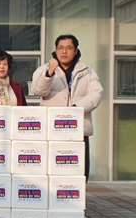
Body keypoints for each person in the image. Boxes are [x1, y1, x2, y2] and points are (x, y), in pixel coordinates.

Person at [31, 34, 103, 180]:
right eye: (60, 48)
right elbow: (38, 90)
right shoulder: (44, 69)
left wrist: (75, 109)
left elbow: (96, 94)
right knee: (52, 170)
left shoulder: (87, 71)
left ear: (76, 50)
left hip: (79, 129)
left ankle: (78, 194)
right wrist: (49, 73)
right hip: (53, 129)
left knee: (80, 171)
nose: (64, 52)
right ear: (55, 50)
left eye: (69, 48)